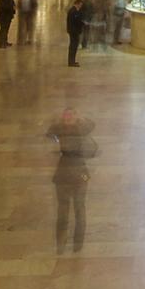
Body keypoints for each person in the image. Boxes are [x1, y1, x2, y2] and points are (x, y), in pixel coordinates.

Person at [45, 106, 95, 254]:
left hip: (76, 174)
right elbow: (49, 133)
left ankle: (77, 244)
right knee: (63, 210)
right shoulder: (59, 129)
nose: (68, 118)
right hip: (67, 175)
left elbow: (91, 125)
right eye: (65, 115)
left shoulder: (81, 128)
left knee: (79, 209)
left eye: (70, 115)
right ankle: (61, 243)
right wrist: (60, 121)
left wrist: (80, 119)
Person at [65, 0, 86, 67]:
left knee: (74, 46)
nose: (80, 7)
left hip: (74, 31)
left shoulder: (74, 11)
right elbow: (76, 21)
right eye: (80, 5)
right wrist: (83, 23)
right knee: (73, 46)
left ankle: (72, 61)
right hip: (74, 31)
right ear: (77, 4)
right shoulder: (73, 11)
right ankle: (71, 62)